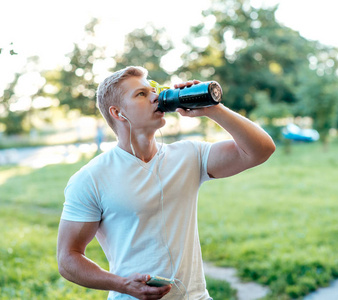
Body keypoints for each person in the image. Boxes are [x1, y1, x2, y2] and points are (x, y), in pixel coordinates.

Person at [57, 66, 276, 300]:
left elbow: (261, 150)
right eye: (141, 94)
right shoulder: (91, 177)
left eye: (153, 90)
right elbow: (68, 258)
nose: (156, 96)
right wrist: (124, 285)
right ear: (118, 113)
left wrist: (213, 109)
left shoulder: (189, 155)